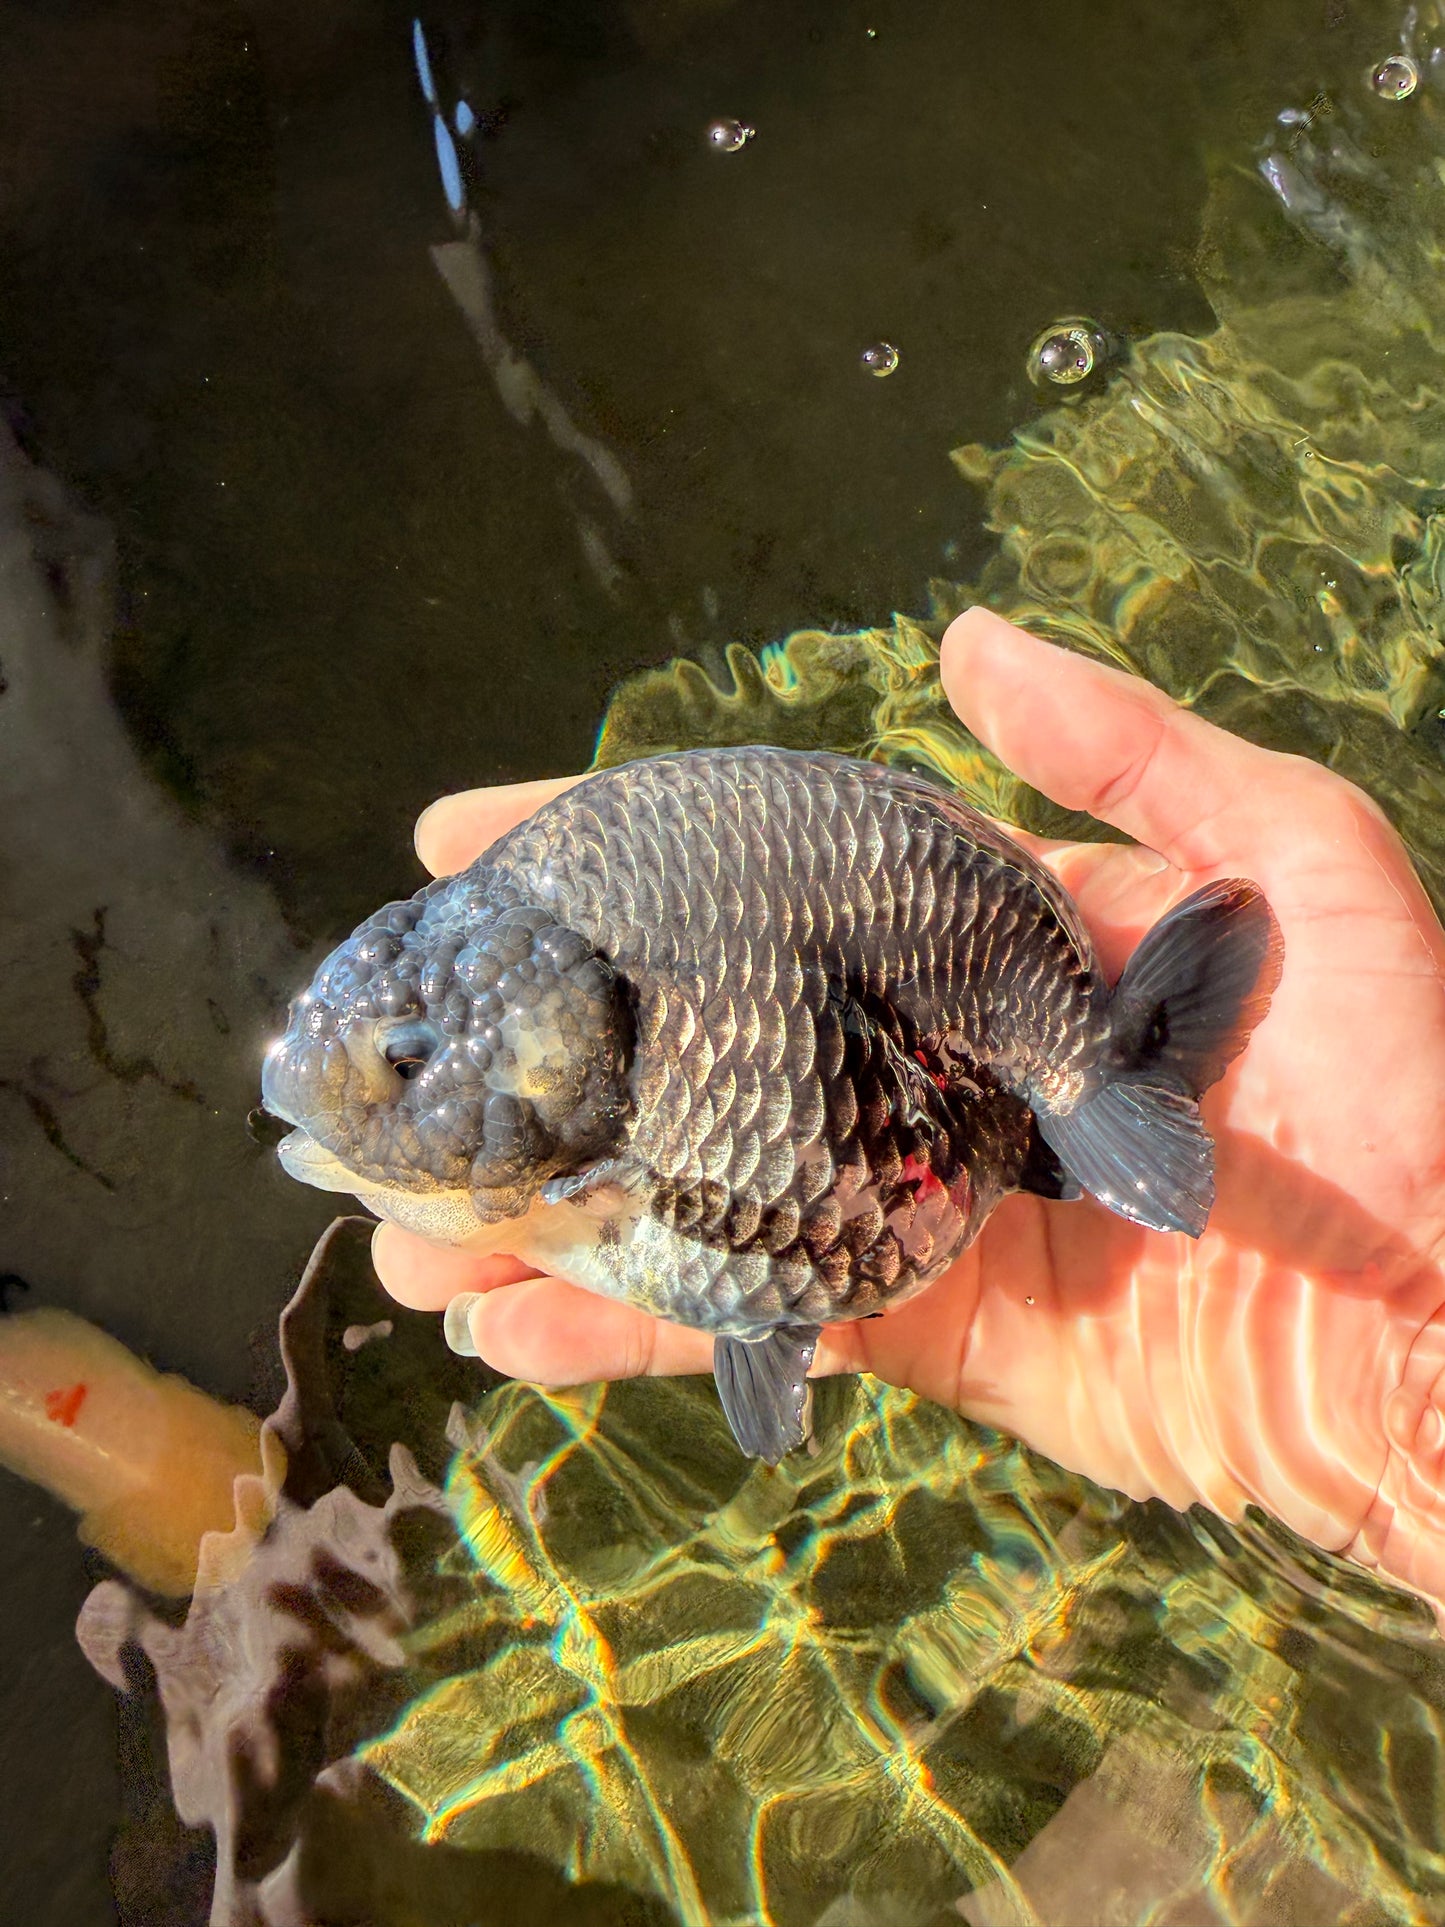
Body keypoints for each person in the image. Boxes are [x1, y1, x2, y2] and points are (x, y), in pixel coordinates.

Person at [372, 607, 1445, 1618]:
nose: (396, 1090)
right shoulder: (552, 988)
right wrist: (1387, 1367)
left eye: (407, 1061)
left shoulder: (571, 1103)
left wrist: (1402, 1314)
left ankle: (1097, 1087)